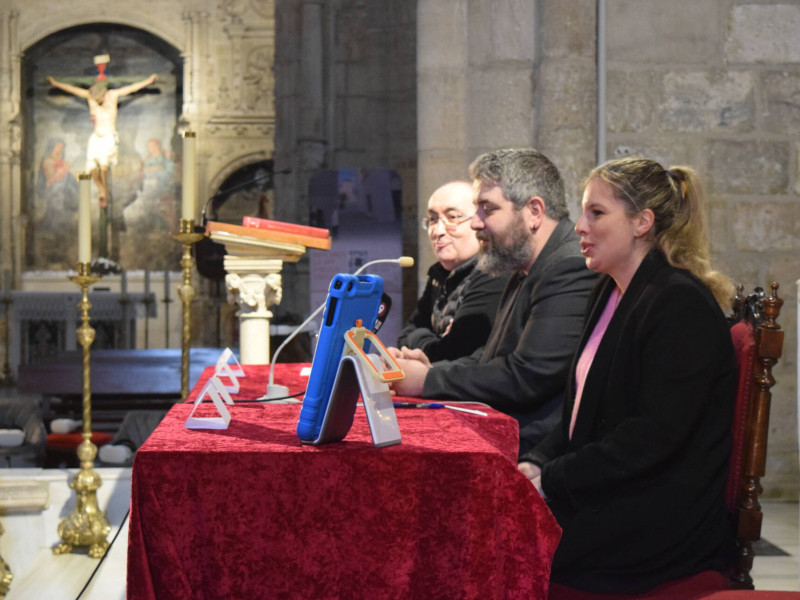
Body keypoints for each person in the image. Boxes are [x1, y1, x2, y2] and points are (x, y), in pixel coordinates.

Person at [519, 157, 737, 594]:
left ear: (642, 222)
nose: (579, 226)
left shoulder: (679, 304)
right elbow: (582, 413)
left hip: (660, 518)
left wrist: (555, 479)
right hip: (613, 489)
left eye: (596, 213)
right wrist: (536, 463)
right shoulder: (612, 288)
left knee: (507, 548)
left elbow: (652, 436)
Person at [390, 149, 597, 456]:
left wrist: (429, 379)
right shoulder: (525, 266)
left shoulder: (568, 267)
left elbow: (527, 376)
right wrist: (432, 366)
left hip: (537, 452)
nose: (475, 223)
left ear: (534, 212)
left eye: (487, 209)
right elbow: (492, 356)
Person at [397, 181, 509, 361]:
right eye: (432, 220)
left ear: (479, 222)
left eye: (453, 217)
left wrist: (421, 338)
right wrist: (432, 339)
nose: (438, 231)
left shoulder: (494, 273)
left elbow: (452, 354)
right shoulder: (440, 274)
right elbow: (404, 338)